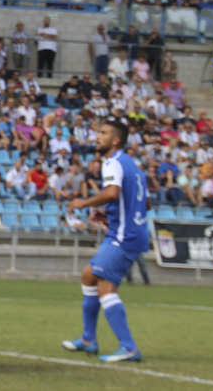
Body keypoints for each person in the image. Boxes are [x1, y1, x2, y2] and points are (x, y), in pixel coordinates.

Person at [61, 117, 148, 363]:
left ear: (116, 140)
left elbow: (112, 193)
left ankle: (129, 347)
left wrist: (83, 202)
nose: (97, 136)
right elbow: (145, 202)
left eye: (103, 132)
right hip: (129, 231)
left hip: (124, 236)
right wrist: (110, 214)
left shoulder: (112, 162)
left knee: (105, 287)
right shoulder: (133, 165)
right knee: (89, 275)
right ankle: (88, 339)